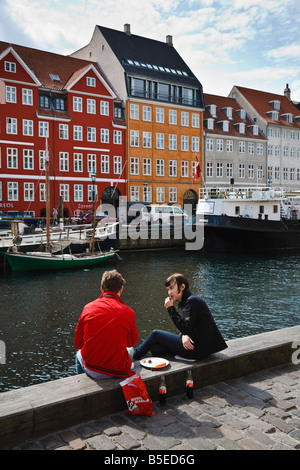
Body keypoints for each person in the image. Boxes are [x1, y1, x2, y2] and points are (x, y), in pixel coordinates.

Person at [132, 273, 227, 361]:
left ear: (182, 287)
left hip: (197, 350)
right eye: (168, 289)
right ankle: (174, 358)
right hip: (201, 348)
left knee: (155, 334)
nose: (169, 292)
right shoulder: (189, 301)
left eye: (171, 288)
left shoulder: (191, 301)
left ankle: (133, 355)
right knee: (155, 348)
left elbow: (185, 327)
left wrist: (170, 308)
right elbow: (190, 327)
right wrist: (184, 335)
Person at [75, 269, 138, 379]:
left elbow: (78, 344)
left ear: (101, 289)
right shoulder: (128, 312)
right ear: (121, 289)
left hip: (93, 369)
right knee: (131, 349)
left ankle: (82, 384)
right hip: (118, 370)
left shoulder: (88, 308)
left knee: (78, 354)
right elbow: (132, 342)